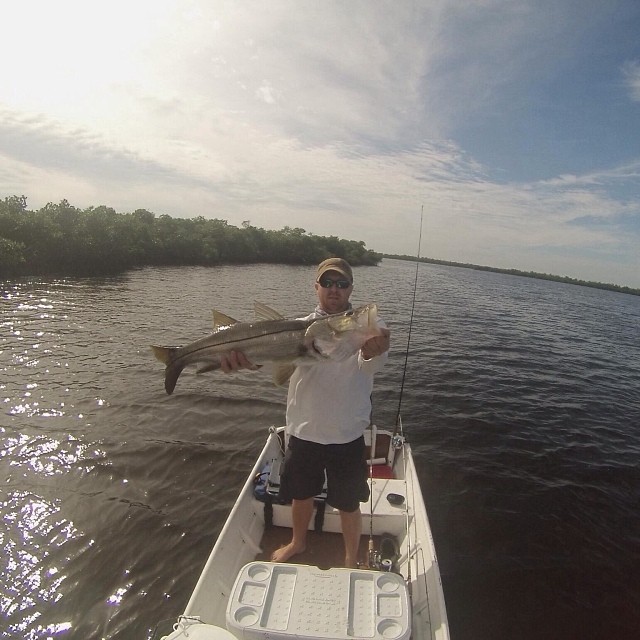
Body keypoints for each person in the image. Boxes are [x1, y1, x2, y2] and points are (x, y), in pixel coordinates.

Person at [220, 257, 390, 567]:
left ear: (351, 287)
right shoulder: (297, 329)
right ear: (316, 288)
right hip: (303, 430)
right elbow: (269, 361)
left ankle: (351, 557)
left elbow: (373, 363)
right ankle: (298, 542)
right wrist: (246, 361)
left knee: (349, 503)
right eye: (327, 283)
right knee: (301, 494)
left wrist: (371, 350)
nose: (334, 289)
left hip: (347, 434)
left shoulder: (367, 329)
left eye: (341, 283)